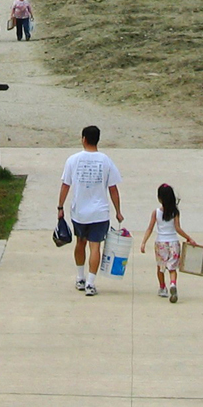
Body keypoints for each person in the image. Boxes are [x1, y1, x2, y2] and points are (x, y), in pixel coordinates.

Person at [57, 126, 123, 297]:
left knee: (80, 243)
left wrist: (60, 207)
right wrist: (118, 211)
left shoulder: (73, 160)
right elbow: (113, 188)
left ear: (83, 139)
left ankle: (80, 277)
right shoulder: (106, 160)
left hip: (79, 212)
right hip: (100, 212)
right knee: (96, 247)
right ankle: (91, 283)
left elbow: (65, 185)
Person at [139, 183, 197, 303]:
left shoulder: (156, 212)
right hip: (173, 243)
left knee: (161, 267)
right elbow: (178, 228)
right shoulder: (175, 212)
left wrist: (144, 242)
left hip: (160, 243)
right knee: (172, 268)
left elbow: (150, 228)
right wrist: (189, 238)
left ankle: (162, 287)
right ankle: (172, 284)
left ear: (159, 198)